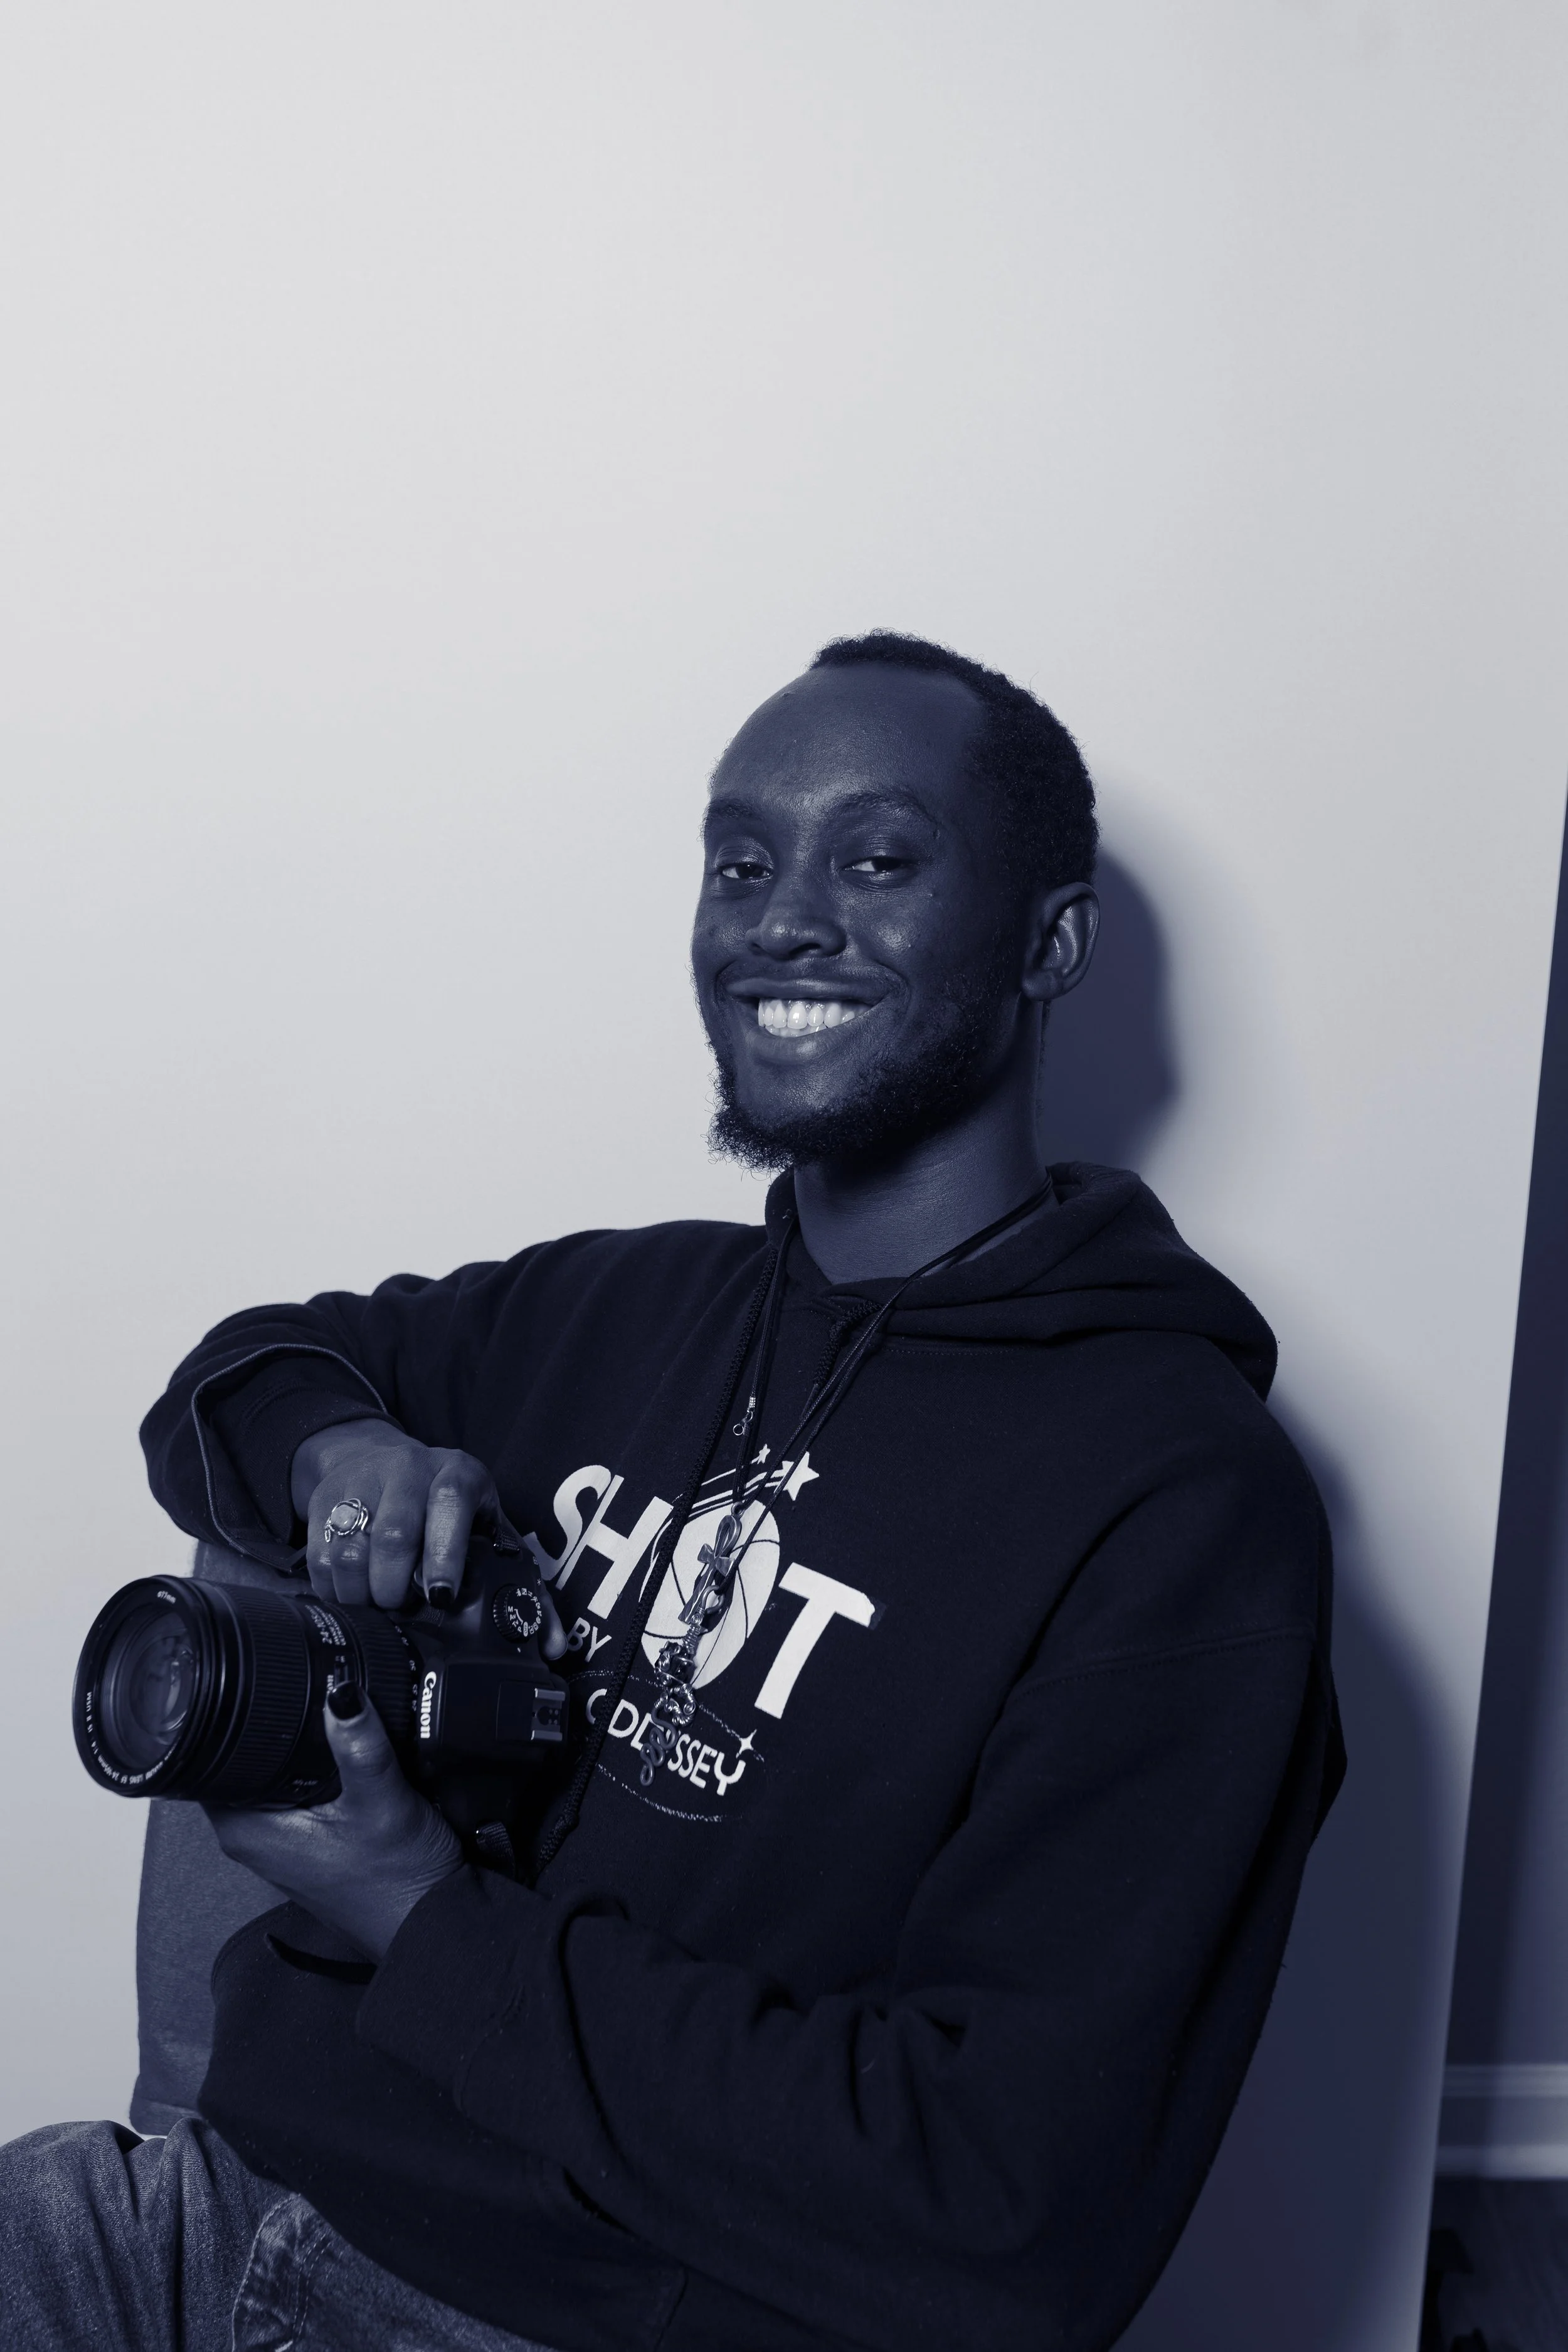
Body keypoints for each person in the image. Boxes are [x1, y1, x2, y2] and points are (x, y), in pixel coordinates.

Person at [0, 632, 1343, 2352]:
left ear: (1048, 944)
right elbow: (244, 1372)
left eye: (876, 859)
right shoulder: (623, 1303)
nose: (782, 921)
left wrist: (412, 1906)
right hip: (210, 2207)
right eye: (741, 862)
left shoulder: (1181, 1508)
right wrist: (343, 1451)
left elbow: (1008, 2213)